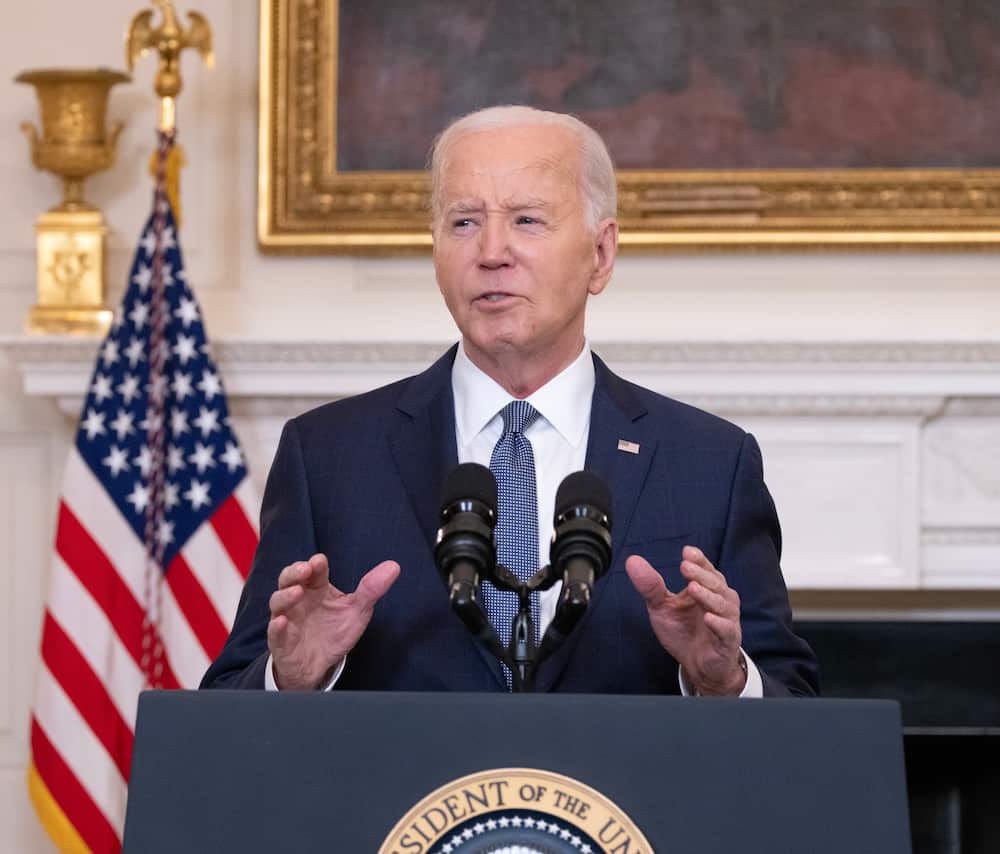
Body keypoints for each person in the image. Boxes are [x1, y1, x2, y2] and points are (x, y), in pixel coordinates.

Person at [201, 106, 818, 697]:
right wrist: (294, 678)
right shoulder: (329, 455)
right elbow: (232, 703)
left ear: (600, 255)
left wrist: (723, 680)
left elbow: (793, 711)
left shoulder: (710, 463)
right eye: (463, 222)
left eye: (527, 219)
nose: (491, 251)